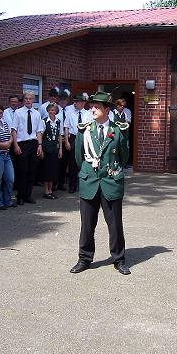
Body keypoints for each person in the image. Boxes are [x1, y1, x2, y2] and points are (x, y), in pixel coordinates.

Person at [69, 92, 130, 275]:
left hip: (111, 182)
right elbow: (79, 158)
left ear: (107, 110)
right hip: (90, 182)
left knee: (115, 225)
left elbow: (123, 157)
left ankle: (119, 259)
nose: (93, 110)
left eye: (97, 107)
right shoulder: (85, 130)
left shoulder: (119, 129)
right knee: (87, 225)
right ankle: (84, 258)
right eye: (92, 107)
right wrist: (89, 172)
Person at [11, 90, 44, 205]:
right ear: (23, 100)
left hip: (33, 143)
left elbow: (39, 131)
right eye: (26, 98)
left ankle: (28, 195)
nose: (28, 100)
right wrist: (15, 145)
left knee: (32, 171)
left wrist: (40, 145)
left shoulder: (37, 113)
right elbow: (14, 130)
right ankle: (20, 195)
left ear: (33, 100)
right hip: (22, 144)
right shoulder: (18, 112)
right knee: (22, 171)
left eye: (30, 99)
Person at [64, 93, 91, 193]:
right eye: (75, 102)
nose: (75, 103)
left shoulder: (88, 114)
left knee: (85, 162)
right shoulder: (70, 114)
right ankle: (72, 185)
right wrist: (67, 141)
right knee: (72, 163)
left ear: (83, 103)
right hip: (73, 138)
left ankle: (85, 185)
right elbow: (66, 127)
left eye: (78, 102)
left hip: (85, 138)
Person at [0, 104, 16, 208]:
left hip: (7, 155)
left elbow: (11, 136)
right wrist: (3, 145)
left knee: (10, 178)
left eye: (1, 112)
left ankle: (8, 200)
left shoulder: (4, 123)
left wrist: (9, 142)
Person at [41, 103, 63, 199]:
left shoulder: (58, 121)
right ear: (47, 111)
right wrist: (40, 148)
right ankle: (46, 191)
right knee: (46, 170)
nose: (51, 111)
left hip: (55, 149)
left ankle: (50, 190)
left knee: (53, 170)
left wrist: (60, 149)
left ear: (56, 111)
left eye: (53, 110)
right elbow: (41, 135)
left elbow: (59, 136)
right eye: (50, 110)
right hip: (46, 149)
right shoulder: (44, 121)